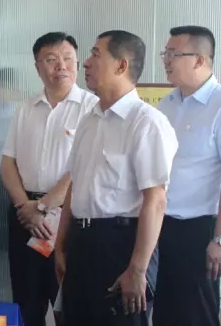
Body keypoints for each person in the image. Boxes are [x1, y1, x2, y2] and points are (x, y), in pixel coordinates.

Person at [55, 30, 178, 326]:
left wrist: (137, 269)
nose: (85, 62)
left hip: (121, 245)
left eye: (96, 55)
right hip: (81, 243)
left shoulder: (146, 123)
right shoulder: (89, 121)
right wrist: (60, 246)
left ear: (121, 65)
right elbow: (74, 186)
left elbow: (155, 200)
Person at [1, 32, 98, 326]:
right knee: (26, 301)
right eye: (51, 59)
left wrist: (43, 207)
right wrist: (25, 207)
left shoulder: (92, 108)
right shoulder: (26, 108)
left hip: (67, 217)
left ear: (78, 62)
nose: (61, 66)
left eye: (68, 58)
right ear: (37, 66)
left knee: (66, 302)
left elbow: (81, 167)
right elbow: (8, 162)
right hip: (24, 216)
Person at [153, 26, 221, 326]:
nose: (166, 61)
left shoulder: (218, 105)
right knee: (164, 312)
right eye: (165, 54)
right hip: (161, 225)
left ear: (199, 60)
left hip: (200, 230)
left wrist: (219, 239)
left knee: (196, 314)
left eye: (173, 54)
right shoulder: (166, 104)